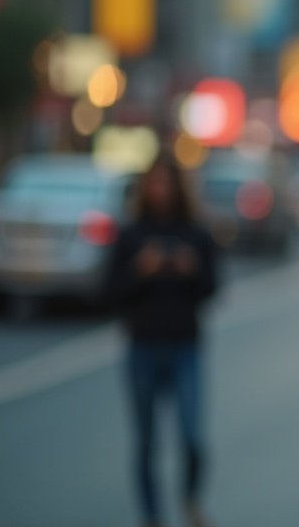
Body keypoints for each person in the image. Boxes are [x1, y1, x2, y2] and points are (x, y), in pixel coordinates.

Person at [106, 153, 218, 527]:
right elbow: (111, 291)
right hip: (143, 347)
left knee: (191, 437)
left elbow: (212, 289)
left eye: (166, 182)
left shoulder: (196, 234)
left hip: (185, 346)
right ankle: (151, 516)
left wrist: (191, 269)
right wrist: (141, 269)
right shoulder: (132, 235)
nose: (160, 190)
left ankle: (190, 500)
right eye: (153, 182)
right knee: (146, 443)